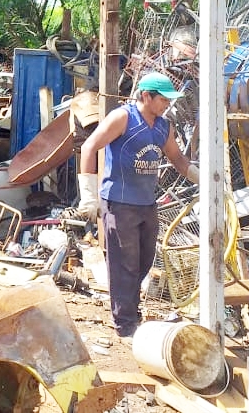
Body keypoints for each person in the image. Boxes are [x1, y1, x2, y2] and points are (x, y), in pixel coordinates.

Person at [76, 73, 199, 338]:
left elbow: (177, 158)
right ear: (146, 96)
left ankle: (132, 312)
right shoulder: (123, 118)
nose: (167, 104)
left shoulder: (163, 127)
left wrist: (202, 178)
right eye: (163, 99)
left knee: (143, 261)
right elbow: (89, 147)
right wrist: (88, 194)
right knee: (124, 264)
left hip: (146, 203)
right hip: (120, 203)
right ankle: (125, 323)